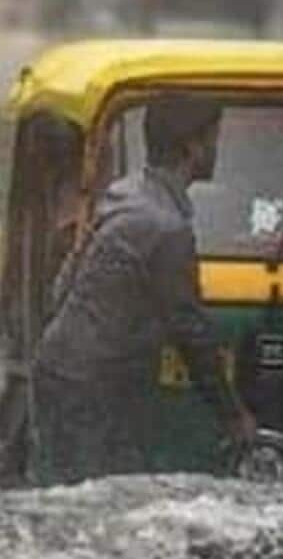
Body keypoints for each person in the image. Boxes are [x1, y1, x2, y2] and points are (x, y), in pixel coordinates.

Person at [30, 94, 258, 484]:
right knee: (91, 499)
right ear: (193, 146)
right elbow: (191, 330)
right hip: (91, 385)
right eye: (214, 138)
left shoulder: (124, 195)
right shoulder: (167, 227)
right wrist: (233, 414)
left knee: (70, 491)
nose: (217, 150)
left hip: (58, 366)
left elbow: (63, 284)